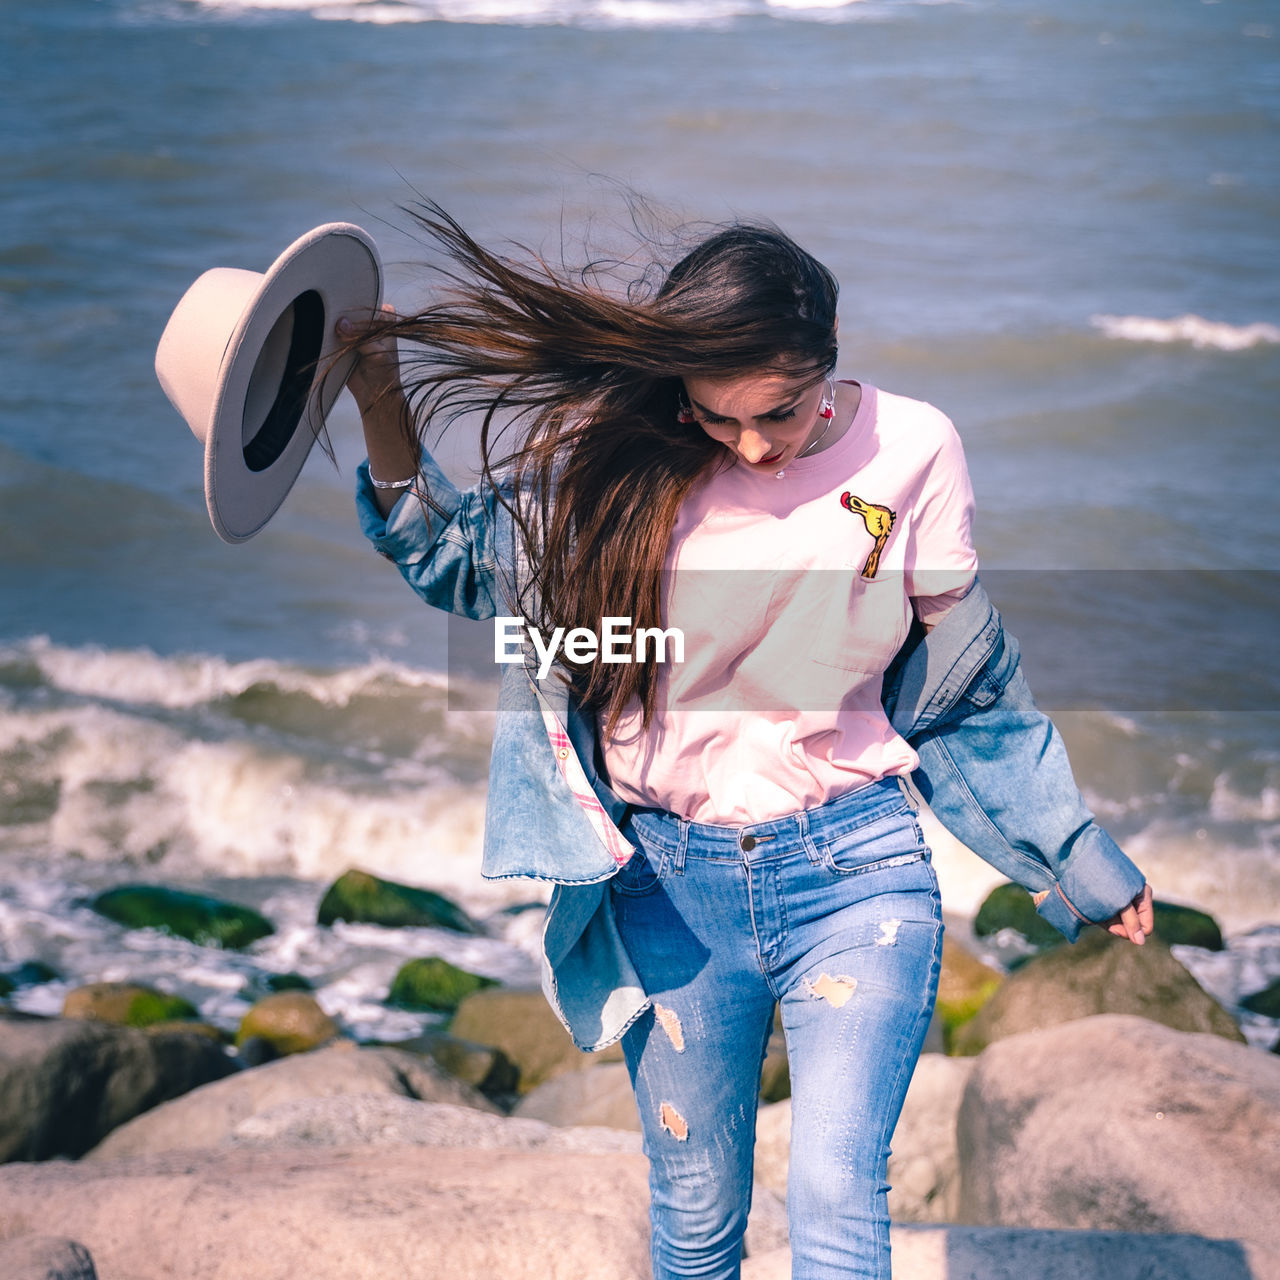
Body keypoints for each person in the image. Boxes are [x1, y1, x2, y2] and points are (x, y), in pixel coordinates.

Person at [336, 203, 1154, 1280]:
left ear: (825, 361)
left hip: (855, 869)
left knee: (835, 1203)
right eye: (717, 419)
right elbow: (447, 557)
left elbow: (968, 692)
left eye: (779, 411)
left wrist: (1073, 853)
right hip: (666, 887)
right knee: (694, 1224)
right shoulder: (620, 468)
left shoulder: (913, 451)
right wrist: (376, 392)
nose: (754, 445)